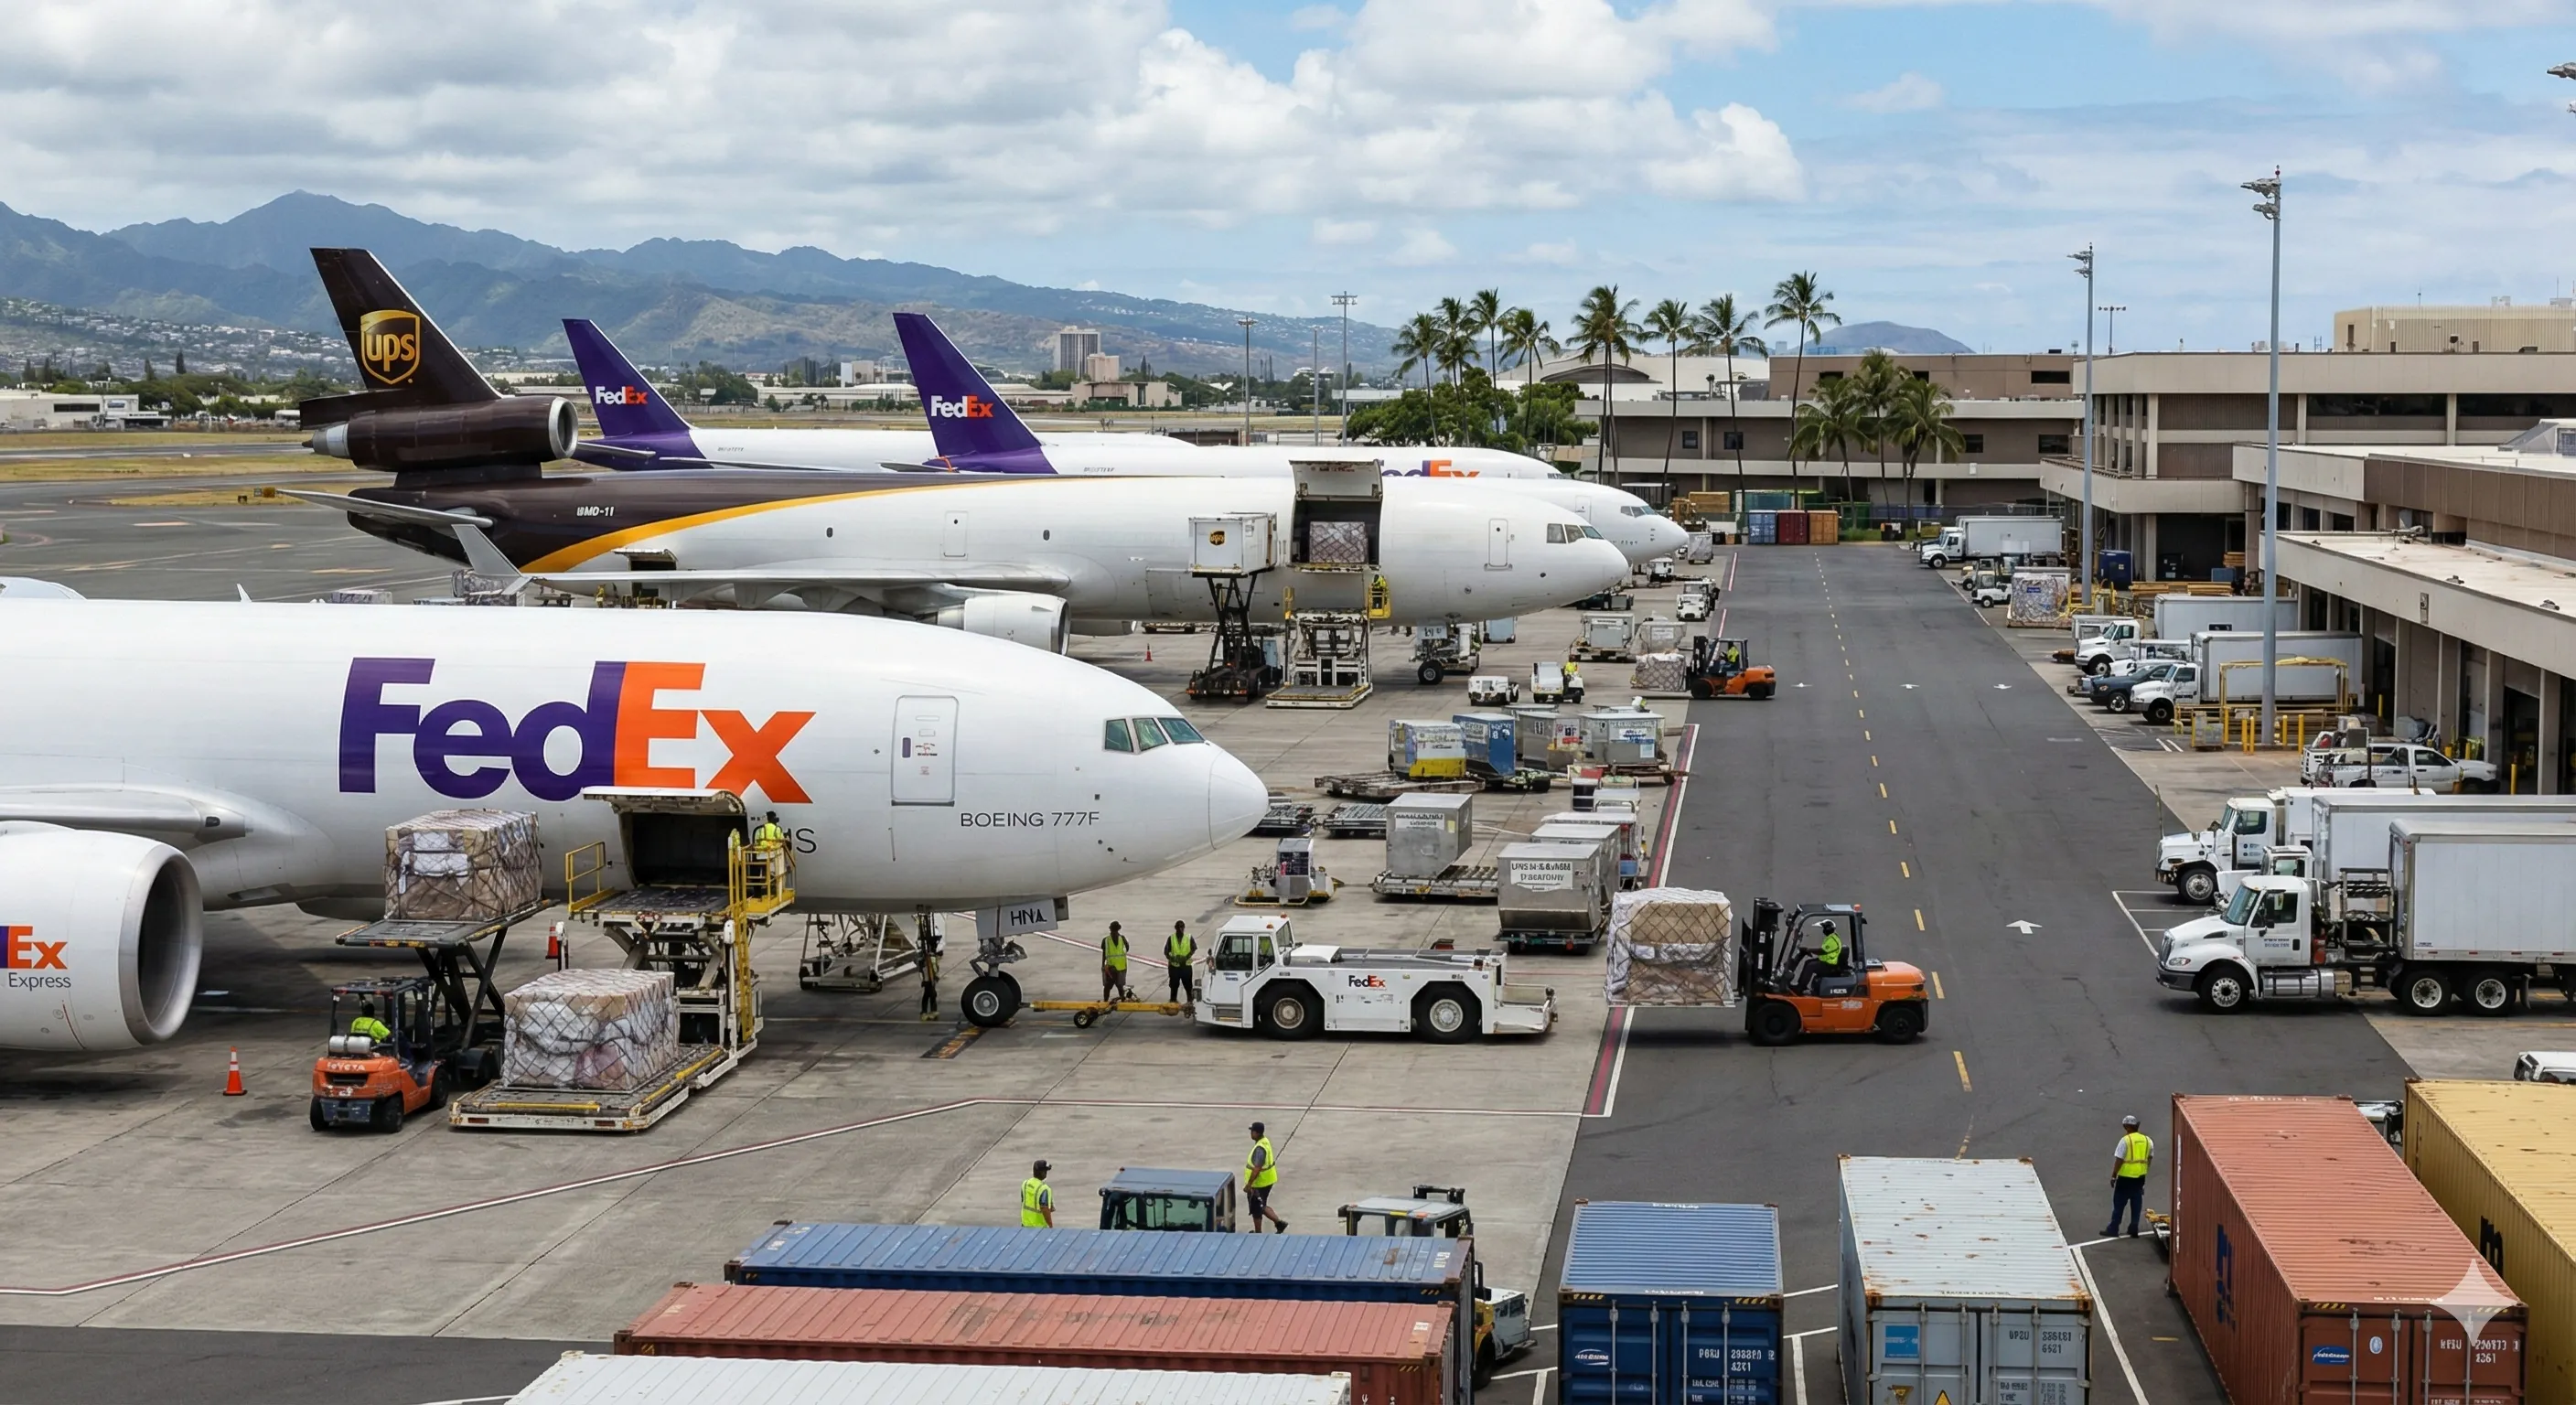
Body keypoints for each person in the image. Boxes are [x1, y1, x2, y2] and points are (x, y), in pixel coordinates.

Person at [2104, 1115, 2152, 1238]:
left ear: (2127, 1126)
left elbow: (2119, 1160)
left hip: (2125, 1178)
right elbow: (2150, 1158)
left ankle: (2113, 1229)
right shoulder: (2148, 1140)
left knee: (2119, 1204)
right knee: (2136, 1204)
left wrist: (2114, 1176)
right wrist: (2144, 1171)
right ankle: (2134, 1228)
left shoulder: (2125, 1141)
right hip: (2140, 1178)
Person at [1244, 1121, 1288, 1232]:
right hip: (1267, 1180)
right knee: (1262, 1205)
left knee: (1256, 1208)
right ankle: (1279, 1223)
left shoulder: (1260, 1149)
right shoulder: (1265, 1141)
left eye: (1252, 1131)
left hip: (1260, 1183)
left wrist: (1249, 1184)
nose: (1251, 1134)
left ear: (1256, 1133)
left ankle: (1258, 1232)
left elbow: (1257, 1168)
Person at [1165, 920, 1197, 1003]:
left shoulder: (1189, 937)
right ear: (1175, 928)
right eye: (1179, 927)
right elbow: (1166, 951)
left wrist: (1186, 957)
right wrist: (1172, 959)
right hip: (1174, 967)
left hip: (1186, 966)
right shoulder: (1171, 938)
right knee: (1174, 985)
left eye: (1182, 927)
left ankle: (1190, 1001)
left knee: (1188, 985)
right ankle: (1173, 1001)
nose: (1180, 929)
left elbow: (1194, 948)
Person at [1101, 921, 1132, 1003]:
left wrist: (1103, 965)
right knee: (1118, 986)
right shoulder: (1122, 939)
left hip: (1113, 968)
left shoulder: (1106, 940)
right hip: (1118, 968)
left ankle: (1106, 1001)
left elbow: (1104, 954)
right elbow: (1127, 949)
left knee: (1109, 986)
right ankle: (1122, 1000)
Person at [1020, 1160, 1056, 1228]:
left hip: (1025, 1225)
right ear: (1042, 1173)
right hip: (1039, 1228)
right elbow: (1044, 1208)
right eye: (1045, 1171)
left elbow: (1024, 1200)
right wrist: (1050, 1225)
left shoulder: (1025, 1184)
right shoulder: (1044, 1188)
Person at [918, 939, 941, 1022]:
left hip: (928, 979)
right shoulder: (931, 958)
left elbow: (921, 970)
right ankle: (931, 1011)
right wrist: (936, 976)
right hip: (930, 979)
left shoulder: (925, 958)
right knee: (931, 995)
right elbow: (935, 968)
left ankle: (927, 1012)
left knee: (928, 995)